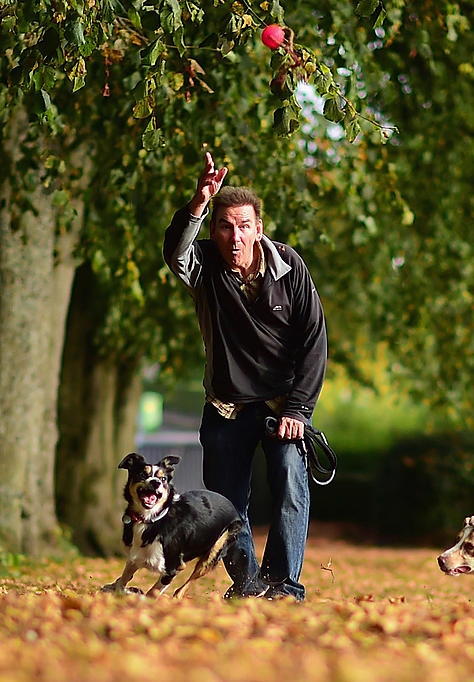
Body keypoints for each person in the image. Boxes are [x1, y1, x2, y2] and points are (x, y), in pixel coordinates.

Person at [163, 152, 327, 601]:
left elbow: (315, 342)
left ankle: (284, 585)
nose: (235, 237)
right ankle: (249, 584)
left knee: (291, 485)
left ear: (258, 228)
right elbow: (173, 252)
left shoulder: (290, 268)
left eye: (243, 226)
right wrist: (198, 204)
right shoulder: (205, 269)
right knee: (225, 505)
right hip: (226, 406)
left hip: (283, 408)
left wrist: (298, 409)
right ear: (214, 232)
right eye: (224, 227)